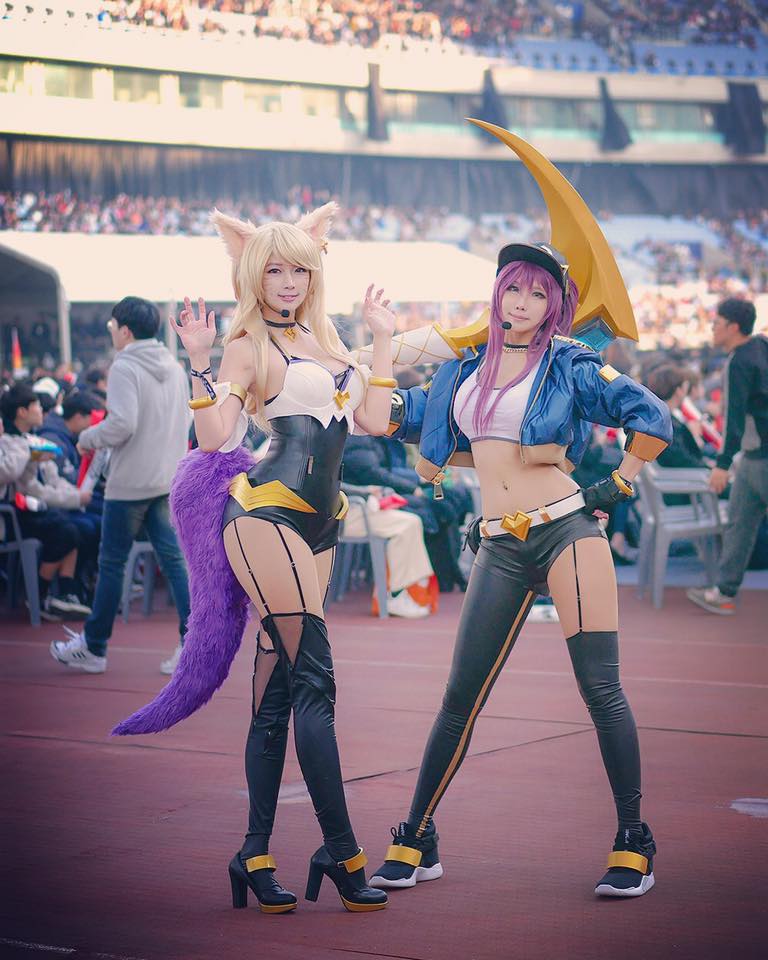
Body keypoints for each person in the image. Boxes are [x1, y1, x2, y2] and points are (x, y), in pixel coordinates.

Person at [110, 203, 393, 913]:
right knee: (316, 682)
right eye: (273, 270)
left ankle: (253, 854)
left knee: (278, 691)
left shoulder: (330, 341)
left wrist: (383, 340)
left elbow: (374, 420)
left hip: (321, 523)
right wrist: (199, 361)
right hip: (265, 515)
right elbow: (214, 438)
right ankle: (343, 851)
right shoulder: (246, 345)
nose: (288, 282)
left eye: (299, 268)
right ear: (250, 274)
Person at [367, 240, 672, 899]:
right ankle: (417, 835)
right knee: (459, 697)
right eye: (514, 288)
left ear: (554, 303)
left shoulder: (569, 362)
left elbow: (651, 416)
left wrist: (619, 483)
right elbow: (384, 415)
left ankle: (634, 840)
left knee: (601, 689)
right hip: (499, 543)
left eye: (539, 293)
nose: (524, 303)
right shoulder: (462, 370)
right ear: (498, 292)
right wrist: (382, 344)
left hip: (567, 532)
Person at [49, 296, 191, 674]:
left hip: (129, 484)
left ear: (125, 330)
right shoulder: (174, 367)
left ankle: (94, 647)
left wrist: (88, 437)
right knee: (175, 562)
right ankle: (193, 644)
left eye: (112, 326)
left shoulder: (125, 366)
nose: (111, 331)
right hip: (166, 478)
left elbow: (122, 425)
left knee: (112, 563)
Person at [687, 298, 768, 615]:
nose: (712, 328)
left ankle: (724, 592)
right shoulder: (762, 347)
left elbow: (734, 420)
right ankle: (724, 591)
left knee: (739, 525)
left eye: (716, 323)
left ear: (733, 327)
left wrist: (721, 465)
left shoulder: (738, 362)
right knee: (739, 523)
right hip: (753, 457)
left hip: (759, 457)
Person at [0, 383, 91, 619]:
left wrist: (76, 495)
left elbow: (49, 479)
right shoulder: (9, 442)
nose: (42, 410)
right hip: (13, 514)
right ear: (22, 412)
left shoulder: (32, 441)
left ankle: (67, 592)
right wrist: (27, 450)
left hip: (34, 508)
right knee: (67, 529)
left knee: (77, 526)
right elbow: (13, 476)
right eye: (36, 406)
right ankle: (39, 595)